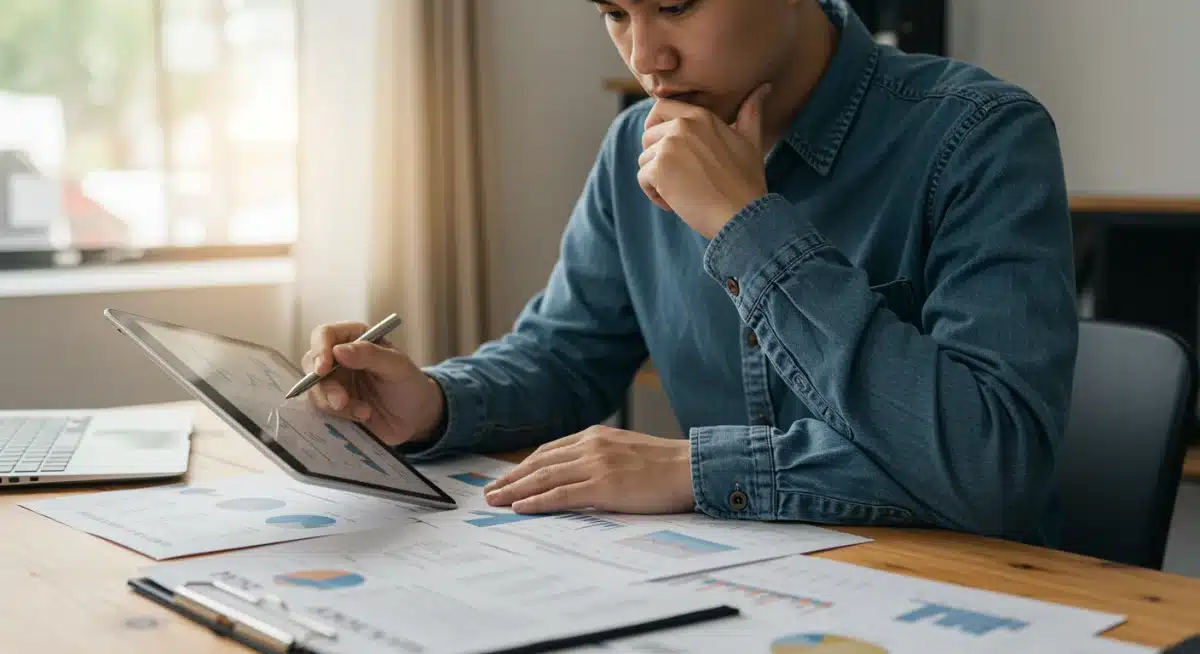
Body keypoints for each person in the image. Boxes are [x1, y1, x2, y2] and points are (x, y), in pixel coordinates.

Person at [303, 0, 1077, 545]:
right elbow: (564, 358)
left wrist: (745, 226)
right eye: (615, 13)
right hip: (739, 585)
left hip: (966, 596)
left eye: (676, 5)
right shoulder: (632, 146)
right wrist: (435, 402)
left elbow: (989, 463)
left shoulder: (979, 137)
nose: (647, 58)